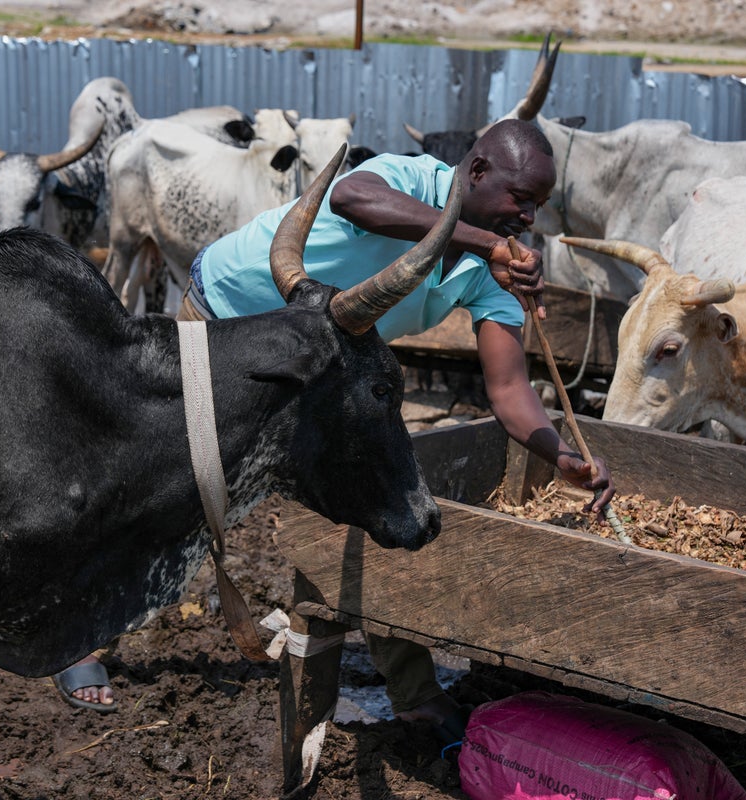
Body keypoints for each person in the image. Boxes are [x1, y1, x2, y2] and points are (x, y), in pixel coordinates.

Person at [161, 117, 614, 738]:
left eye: (537, 206)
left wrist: (559, 453)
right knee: (171, 489)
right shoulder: (413, 179)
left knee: (384, 497)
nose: (528, 219)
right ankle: (78, 637)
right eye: (521, 199)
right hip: (225, 318)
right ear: (476, 172)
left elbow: (509, 392)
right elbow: (350, 197)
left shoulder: (493, 273)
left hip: (319, 368)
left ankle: (413, 693)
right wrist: (483, 240)